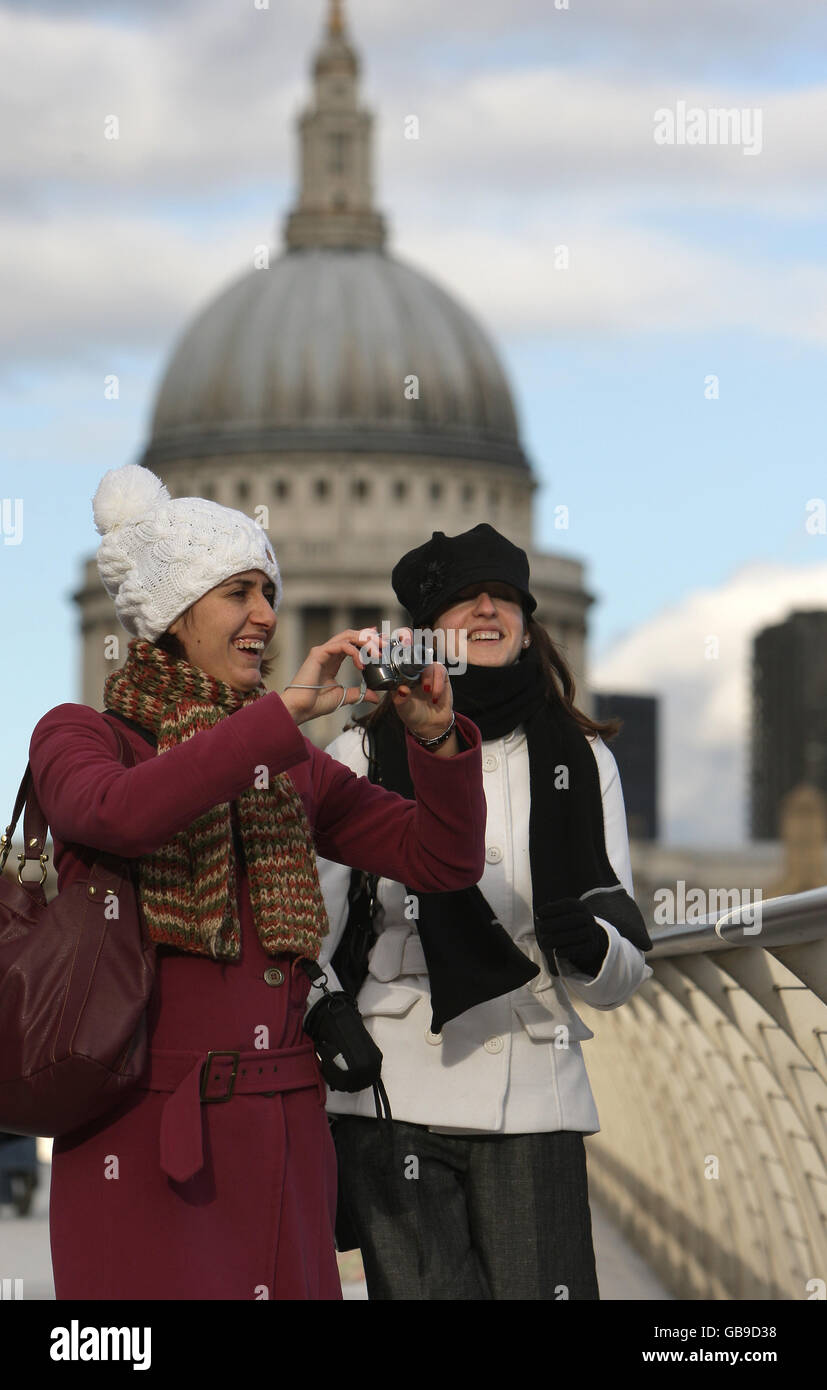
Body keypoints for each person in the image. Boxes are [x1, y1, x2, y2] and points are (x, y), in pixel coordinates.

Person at [27, 464, 485, 1301]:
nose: (267, 617)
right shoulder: (81, 734)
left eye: (269, 593)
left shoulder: (290, 765)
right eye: (239, 592)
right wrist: (280, 722)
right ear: (174, 610)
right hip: (143, 1132)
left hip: (283, 1135)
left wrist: (439, 741)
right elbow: (117, 813)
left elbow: (440, 859)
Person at [314, 523, 654, 1300]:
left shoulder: (584, 759)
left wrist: (597, 950)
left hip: (533, 1081)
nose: (488, 610)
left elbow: (622, 955)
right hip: (395, 1084)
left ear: (531, 623)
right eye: (464, 600)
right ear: (425, 635)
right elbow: (314, 935)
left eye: (503, 597)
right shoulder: (360, 755)